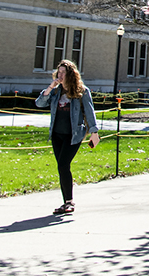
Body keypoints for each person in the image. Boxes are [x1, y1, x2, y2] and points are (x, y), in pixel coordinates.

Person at [36, 59, 100, 216]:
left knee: (63, 165)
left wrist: (94, 132)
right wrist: (51, 87)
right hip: (57, 134)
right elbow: (39, 103)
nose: (60, 75)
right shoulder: (56, 92)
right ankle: (66, 202)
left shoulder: (81, 91)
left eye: (64, 72)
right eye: (59, 72)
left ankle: (69, 202)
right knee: (61, 167)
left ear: (71, 74)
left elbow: (90, 111)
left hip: (74, 135)